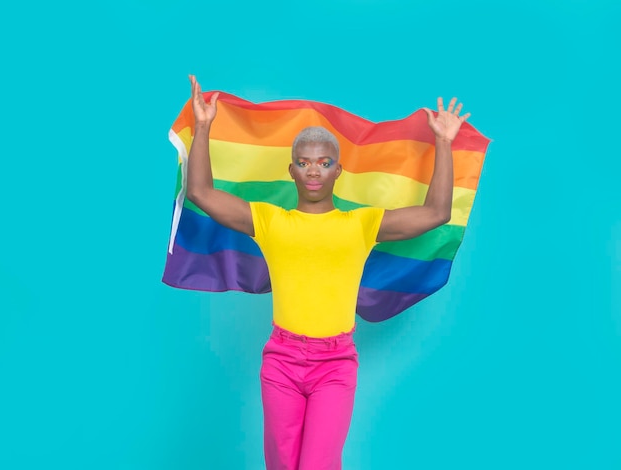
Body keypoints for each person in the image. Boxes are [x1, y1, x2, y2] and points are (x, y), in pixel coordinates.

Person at [185, 74, 470, 470]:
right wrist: (202, 126)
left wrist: (443, 140)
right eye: (304, 163)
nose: (314, 170)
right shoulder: (269, 220)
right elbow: (200, 193)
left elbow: (436, 213)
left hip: (334, 365)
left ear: (338, 170)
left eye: (324, 162)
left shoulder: (361, 224)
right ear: (292, 171)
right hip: (281, 360)